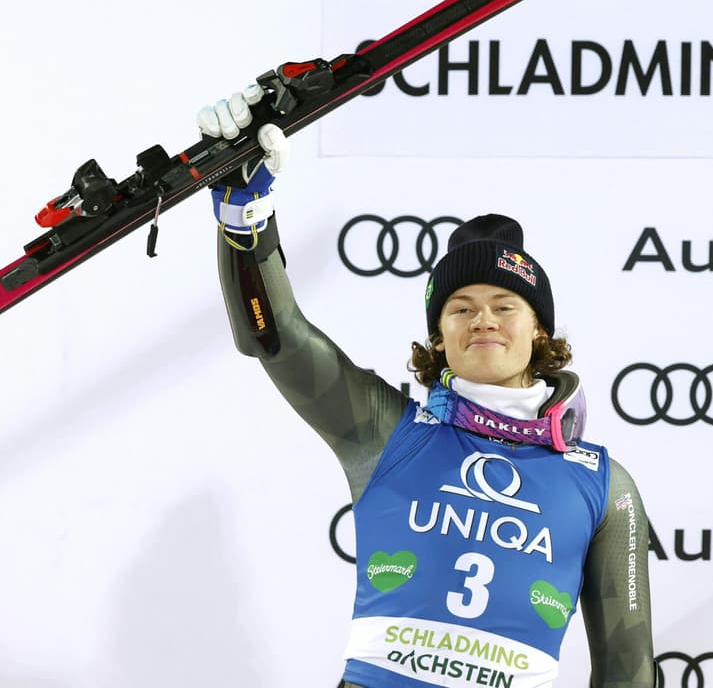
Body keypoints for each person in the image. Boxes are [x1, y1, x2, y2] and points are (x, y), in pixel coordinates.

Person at [198, 90, 656, 688]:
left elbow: (629, 673)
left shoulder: (605, 484)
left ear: (540, 328)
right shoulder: (389, 430)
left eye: (504, 305)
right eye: (460, 308)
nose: (482, 319)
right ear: (438, 338)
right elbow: (275, 336)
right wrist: (244, 214)